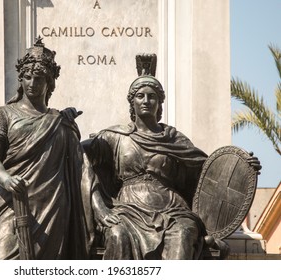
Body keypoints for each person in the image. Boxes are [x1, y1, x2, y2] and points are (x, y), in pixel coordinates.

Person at [84, 56, 261, 259]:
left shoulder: (173, 137)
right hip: (128, 209)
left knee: (185, 232)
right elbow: (78, 156)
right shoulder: (114, 136)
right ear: (132, 102)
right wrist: (98, 206)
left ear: (160, 103)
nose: (146, 101)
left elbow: (209, 170)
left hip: (172, 209)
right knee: (117, 234)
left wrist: (242, 168)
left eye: (152, 97)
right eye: (140, 96)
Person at [0, 38, 93, 260]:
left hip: (52, 207)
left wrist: (69, 128)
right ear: (21, 79)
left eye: (39, 79)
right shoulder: (2, 114)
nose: (32, 83)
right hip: (11, 200)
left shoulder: (60, 121)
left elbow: (79, 165)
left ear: (50, 83)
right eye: (27, 77)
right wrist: (6, 179)